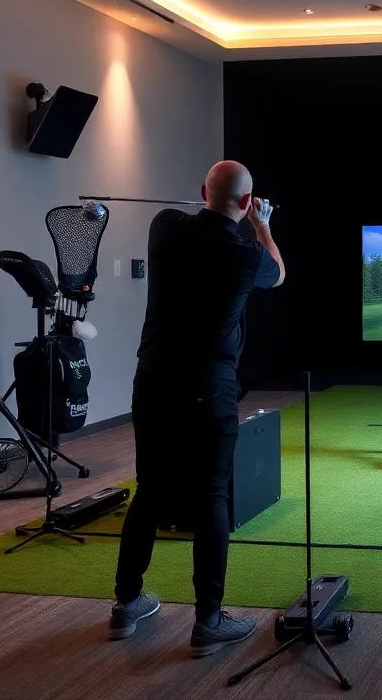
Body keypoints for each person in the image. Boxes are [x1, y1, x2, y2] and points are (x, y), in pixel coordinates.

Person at [109, 160, 285, 656]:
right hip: (209, 385)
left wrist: (220, 204)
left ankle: (126, 604)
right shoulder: (247, 252)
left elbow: (197, 217)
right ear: (247, 202)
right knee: (211, 495)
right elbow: (278, 274)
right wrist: (262, 225)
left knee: (150, 488)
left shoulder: (163, 225)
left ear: (201, 191)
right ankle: (208, 620)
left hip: (153, 379)